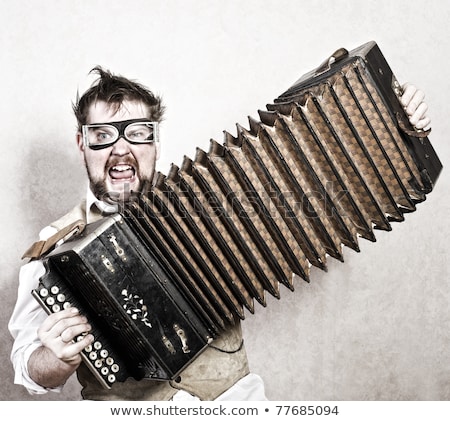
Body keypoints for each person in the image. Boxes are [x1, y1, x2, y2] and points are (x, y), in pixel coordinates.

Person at [8, 67, 431, 401]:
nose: (122, 150)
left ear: (155, 140)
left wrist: (393, 126)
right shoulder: (53, 250)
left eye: (137, 133)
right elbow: (30, 370)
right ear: (81, 143)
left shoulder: (222, 196)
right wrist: (56, 357)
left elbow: (327, 177)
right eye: (102, 137)